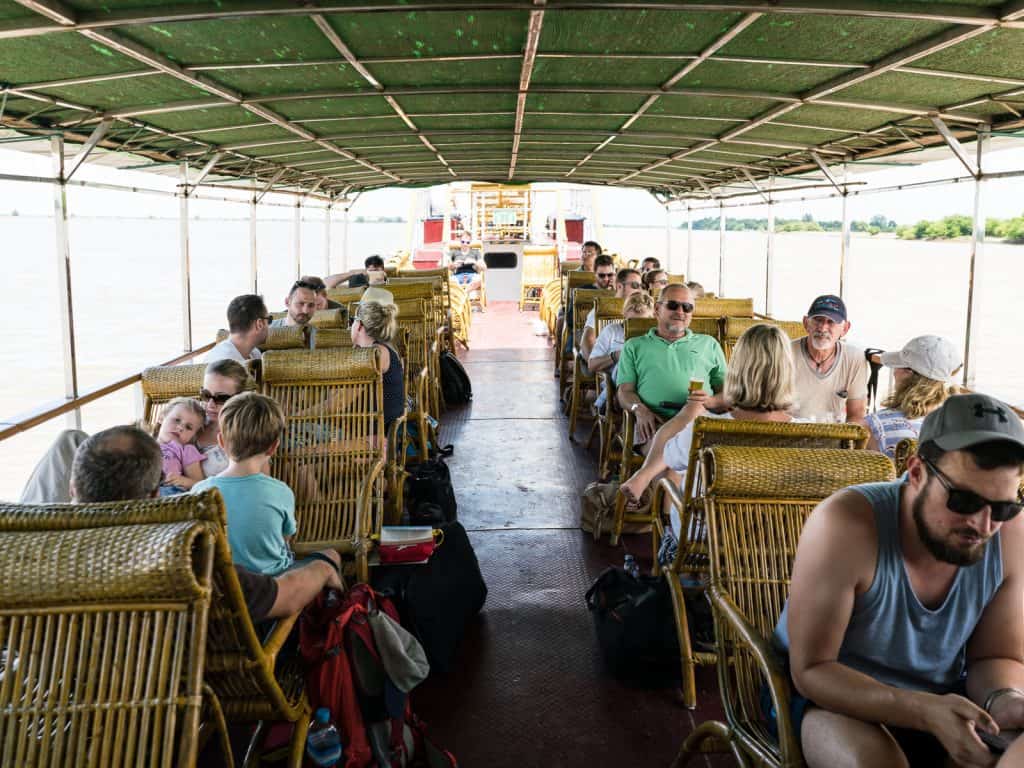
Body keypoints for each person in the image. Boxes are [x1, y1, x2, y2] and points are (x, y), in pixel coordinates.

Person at [775, 393, 1024, 768]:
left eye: (1003, 507)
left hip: (944, 697)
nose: (983, 525)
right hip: (832, 695)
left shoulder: (1010, 536)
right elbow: (812, 670)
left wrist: (1004, 699)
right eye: (963, 501)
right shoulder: (847, 524)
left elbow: (994, 655)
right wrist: (920, 711)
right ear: (917, 473)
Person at [67, 425, 342, 624]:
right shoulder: (185, 562)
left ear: (72, 489)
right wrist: (323, 566)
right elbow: (288, 597)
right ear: (154, 494)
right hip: (172, 692)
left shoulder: (38, 555)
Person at [621, 324, 804, 525]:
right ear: (789, 371)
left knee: (675, 476)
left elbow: (669, 457)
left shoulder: (705, 430)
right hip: (781, 543)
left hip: (708, 541)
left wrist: (690, 412)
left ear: (737, 369)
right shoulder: (808, 434)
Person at [192, 392, 296, 576]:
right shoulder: (282, 492)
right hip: (273, 587)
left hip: (222, 589)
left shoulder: (200, 491)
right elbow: (286, 537)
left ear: (221, 442)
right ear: (273, 447)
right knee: (327, 558)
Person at [616, 283, 727, 446]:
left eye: (687, 307)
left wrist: (710, 401)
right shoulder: (634, 346)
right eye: (673, 305)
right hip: (652, 423)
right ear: (656, 309)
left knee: (676, 456)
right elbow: (625, 391)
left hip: (698, 424)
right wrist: (639, 409)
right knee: (679, 455)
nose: (680, 312)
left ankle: (652, 469)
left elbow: (727, 393)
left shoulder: (709, 344)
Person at [865, 335, 961, 460]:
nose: (894, 372)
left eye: (897, 366)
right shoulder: (958, 426)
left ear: (908, 373)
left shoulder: (873, 425)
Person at [791, 294, 869, 424]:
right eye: (818, 320)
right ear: (806, 323)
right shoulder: (784, 353)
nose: (822, 328)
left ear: (845, 328)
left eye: (830, 322)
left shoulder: (855, 358)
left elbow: (856, 415)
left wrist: (844, 442)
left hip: (834, 436)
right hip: (788, 435)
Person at [351, 287, 405, 436]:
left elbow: (341, 400)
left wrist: (302, 414)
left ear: (360, 324)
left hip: (374, 433)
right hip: (371, 426)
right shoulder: (384, 346)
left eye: (353, 321)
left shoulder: (376, 354)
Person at [588, 291, 656, 410]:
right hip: (615, 385)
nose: (636, 326)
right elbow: (592, 365)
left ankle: (603, 401)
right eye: (631, 322)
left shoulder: (655, 336)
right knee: (624, 361)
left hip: (647, 384)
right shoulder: (612, 331)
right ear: (624, 316)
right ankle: (606, 399)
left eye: (642, 322)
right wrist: (615, 356)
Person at [197, 359, 252, 476]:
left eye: (221, 398)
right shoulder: (190, 424)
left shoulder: (249, 434)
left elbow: (261, 482)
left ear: (239, 398)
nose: (210, 404)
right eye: (206, 395)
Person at [580, 267, 643, 361]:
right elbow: (587, 340)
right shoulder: (602, 308)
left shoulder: (640, 310)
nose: (639, 289)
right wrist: (595, 365)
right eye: (635, 285)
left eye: (640, 285)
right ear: (619, 286)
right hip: (607, 361)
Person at [565, 253, 616, 356]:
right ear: (594, 273)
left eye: (610, 275)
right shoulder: (582, 291)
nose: (606, 279)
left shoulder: (618, 292)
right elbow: (570, 320)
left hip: (611, 332)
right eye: (601, 275)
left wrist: (615, 291)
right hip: (586, 331)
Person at [156, 397, 206, 496]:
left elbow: (200, 484)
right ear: (162, 417)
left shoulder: (186, 450)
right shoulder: (145, 441)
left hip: (167, 490)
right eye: (177, 420)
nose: (180, 428)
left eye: (188, 427)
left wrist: (182, 481)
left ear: (193, 435)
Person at [206, 294, 269, 364]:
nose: (269, 325)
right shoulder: (226, 365)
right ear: (259, 324)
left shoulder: (254, 353)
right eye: (269, 320)